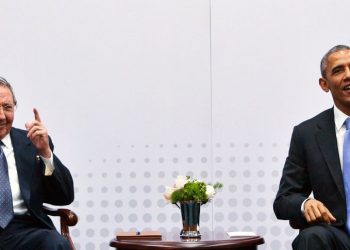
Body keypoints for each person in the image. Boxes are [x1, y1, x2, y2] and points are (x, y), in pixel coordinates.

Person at [273, 45, 350, 249]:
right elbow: (284, 200)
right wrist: (305, 204)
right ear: (324, 85)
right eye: (338, 70)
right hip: (338, 235)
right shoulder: (307, 134)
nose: (348, 75)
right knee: (311, 237)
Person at [0, 77, 74, 250]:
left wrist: (45, 153)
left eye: (7, 107)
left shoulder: (32, 144)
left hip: (24, 229)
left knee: (54, 243)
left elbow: (65, 195)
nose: (2, 116)